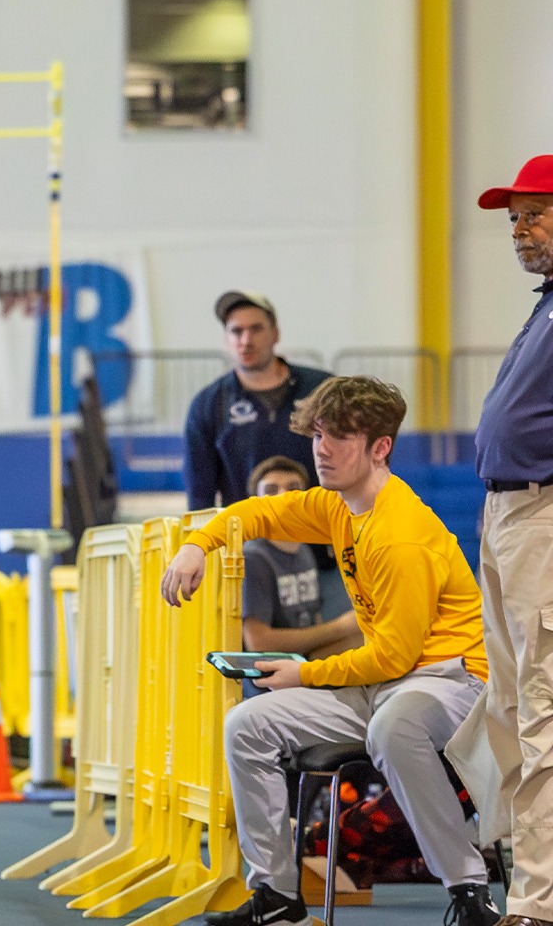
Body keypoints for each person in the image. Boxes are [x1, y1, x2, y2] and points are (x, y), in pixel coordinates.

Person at [161, 376, 499, 926]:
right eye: (318, 434)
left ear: (380, 447)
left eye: (339, 436)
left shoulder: (400, 534)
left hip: (451, 681)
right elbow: (258, 514)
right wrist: (198, 544)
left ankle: (468, 889)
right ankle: (277, 896)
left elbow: (392, 657)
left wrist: (304, 674)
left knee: (395, 728)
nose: (322, 448)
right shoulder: (338, 506)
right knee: (246, 725)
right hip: (383, 685)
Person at [462, 154, 553, 926]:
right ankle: (529, 880)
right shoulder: (546, 304)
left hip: (544, 517)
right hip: (508, 517)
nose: (519, 230)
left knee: (542, 710)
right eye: (513, 219)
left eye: (535, 213)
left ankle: (539, 900)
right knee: (510, 708)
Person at [183, 291, 332, 510]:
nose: (246, 340)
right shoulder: (208, 404)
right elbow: (199, 494)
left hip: (318, 533)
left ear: (276, 334)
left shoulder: (322, 390)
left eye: (256, 329)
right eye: (236, 331)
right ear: (226, 340)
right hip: (247, 538)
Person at [237, 456, 360, 660]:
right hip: (270, 673)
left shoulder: (303, 549)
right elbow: (258, 642)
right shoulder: (254, 558)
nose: (284, 496)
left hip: (304, 659)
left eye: (293, 488)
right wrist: (341, 627)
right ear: (255, 502)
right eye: (271, 490)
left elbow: (312, 620)